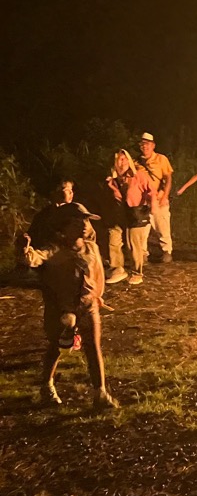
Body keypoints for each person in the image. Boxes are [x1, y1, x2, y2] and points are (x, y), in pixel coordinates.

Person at [22, 202, 119, 409]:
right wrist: (25, 252)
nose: (84, 225)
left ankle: (100, 392)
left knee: (93, 347)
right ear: (63, 227)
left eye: (85, 221)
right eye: (77, 222)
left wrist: (97, 296)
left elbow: (97, 274)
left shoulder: (91, 247)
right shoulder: (55, 251)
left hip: (87, 305)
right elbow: (36, 258)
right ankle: (47, 386)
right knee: (57, 347)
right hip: (62, 308)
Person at [105, 149, 153, 286]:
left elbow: (151, 190)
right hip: (120, 213)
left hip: (135, 213)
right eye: (120, 159)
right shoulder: (113, 180)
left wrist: (151, 203)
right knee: (113, 238)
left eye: (125, 159)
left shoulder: (138, 176)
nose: (123, 162)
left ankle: (137, 273)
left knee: (134, 244)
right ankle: (117, 269)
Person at [138, 132, 174, 263]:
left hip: (159, 199)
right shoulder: (137, 162)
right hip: (143, 201)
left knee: (162, 226)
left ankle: (167, 251)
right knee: (142, 230)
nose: (144, 147)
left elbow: (168, 178)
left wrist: (165, 195)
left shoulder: (161, 159)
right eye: (142, 144)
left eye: (147, 144)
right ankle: (142, 254)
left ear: (153, 145)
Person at [25, 179, 75, 251]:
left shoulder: (75, 213)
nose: (71, 192)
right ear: (56, 192)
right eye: (66, 189)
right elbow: (32, 237)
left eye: (71, 189)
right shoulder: (42, 216)